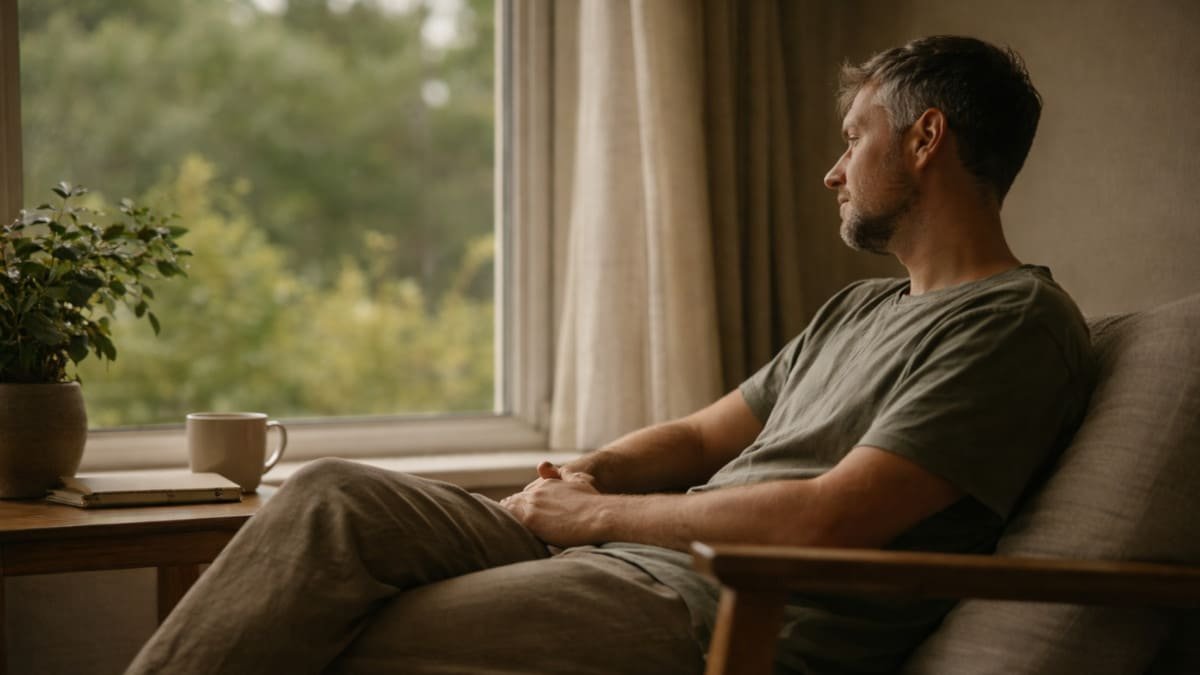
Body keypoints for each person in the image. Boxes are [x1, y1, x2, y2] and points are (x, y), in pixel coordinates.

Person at [126, 35, 1093, 675]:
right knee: (332, 494)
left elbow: (827, 516)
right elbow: (700, 436)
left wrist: (592, 514)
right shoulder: (858, 309)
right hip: (630, 554)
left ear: (926, 139)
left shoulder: (1015, 323)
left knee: (342, 627)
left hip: (714, 606)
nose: (832, 170)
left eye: (854, 139)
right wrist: (584, 476)